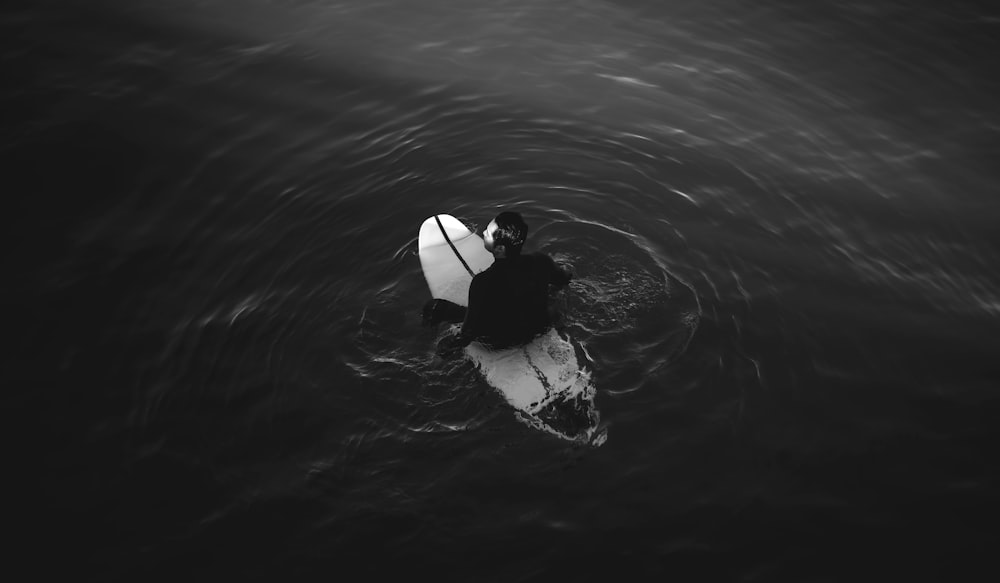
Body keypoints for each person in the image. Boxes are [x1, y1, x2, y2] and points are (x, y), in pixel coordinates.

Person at [450, 211, 572, 350]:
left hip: (503, 342)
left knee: (438, 309)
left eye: (488, 233)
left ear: (500, 249)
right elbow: (564, 279)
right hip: (540, 328)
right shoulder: (541, 260)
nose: (483, 232)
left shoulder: (482, 282)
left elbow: (468, 333)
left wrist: (449, 347)